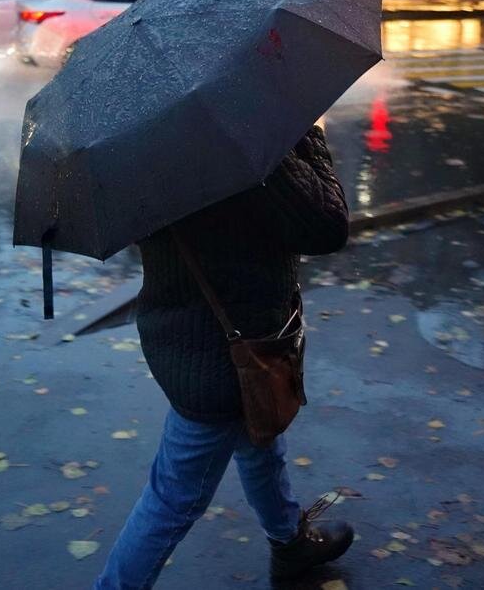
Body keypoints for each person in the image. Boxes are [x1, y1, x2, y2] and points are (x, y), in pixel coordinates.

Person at [95, 125, 353, 589]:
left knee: (260, 443)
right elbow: (327, 225)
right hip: (223, 357)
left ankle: (289, 542)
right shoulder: (235, 131)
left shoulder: (139, 137)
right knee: (172, 499)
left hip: (189, 336)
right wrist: (308, 133)